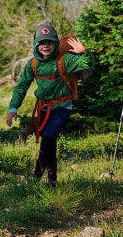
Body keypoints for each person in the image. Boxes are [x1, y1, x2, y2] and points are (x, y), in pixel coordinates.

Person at [6, 22, 92, 187]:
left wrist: (84, 53)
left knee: (48, 139)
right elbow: (22, 86)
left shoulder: (64, 60)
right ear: (36, 44)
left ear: (55, 43)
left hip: (63, 106)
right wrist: (13, 108)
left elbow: (86, 66)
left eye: (50, 42)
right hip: (44, 108)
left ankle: (37, 177)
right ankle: (52, 182)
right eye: (42, 43)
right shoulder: (32, 64)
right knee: (49, 143)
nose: (46, 46)